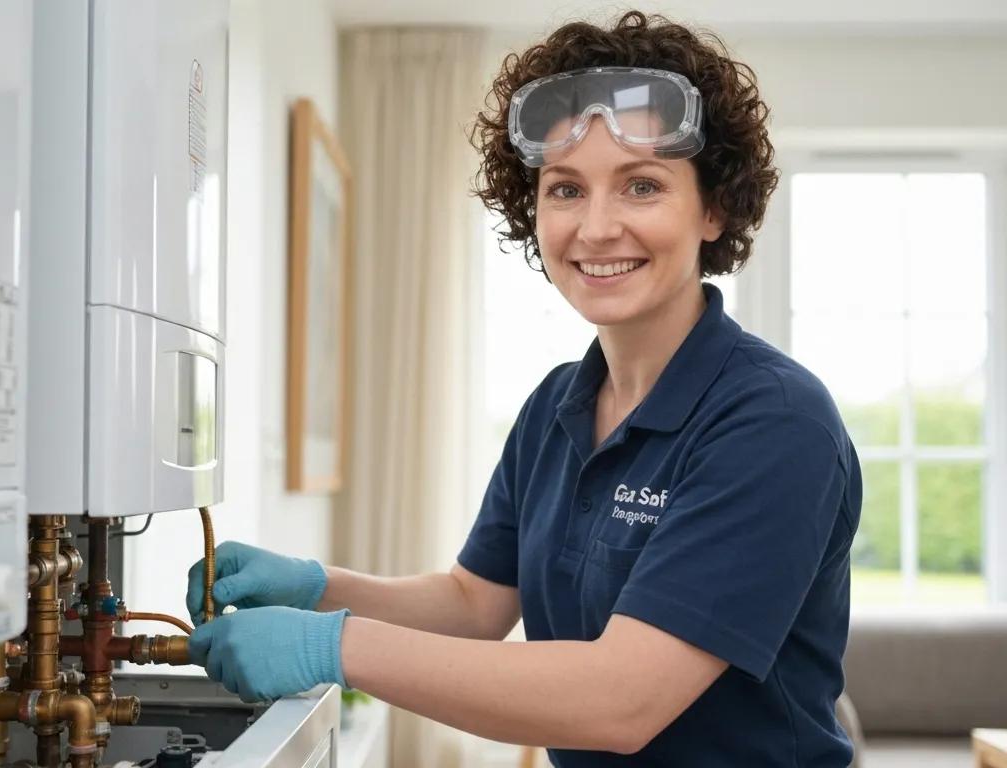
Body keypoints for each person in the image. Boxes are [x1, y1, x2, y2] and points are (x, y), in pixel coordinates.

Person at [185, 11, 862, 766]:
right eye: (566, 189)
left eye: (641, 185)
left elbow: (620, 700)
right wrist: (316, 587)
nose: (596, 228)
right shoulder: (557, 405)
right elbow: (475, 605)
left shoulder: (773, 421)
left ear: (714, 208)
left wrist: (332, 645)